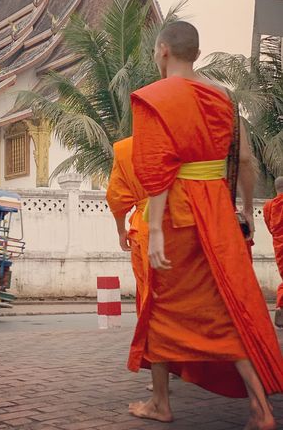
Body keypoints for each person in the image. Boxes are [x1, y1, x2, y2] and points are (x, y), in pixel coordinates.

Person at [127, 21, 283, 429]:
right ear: (195, 53)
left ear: (163, 50)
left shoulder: (154, 98)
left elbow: (158, 168)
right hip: (216, 209)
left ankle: (161, 403)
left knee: (159, 304)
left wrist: (156, 228)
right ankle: (261, 407)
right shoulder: (223, 98)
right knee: (227, 307)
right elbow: (245, 160)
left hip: (177, 213)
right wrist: (246, 210)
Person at [106, 136, 149, 315]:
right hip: (184, 217)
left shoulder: (126, 149)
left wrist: (121, 231)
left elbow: (117, 197)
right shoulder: (179, 139)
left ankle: (153, 337)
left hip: (145, 226)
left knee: (149, 285)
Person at [263, 176, 283, 328]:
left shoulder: (268, 206)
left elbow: (270, 228)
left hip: (278, 245)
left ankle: (280, 307)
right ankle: (281, 306)